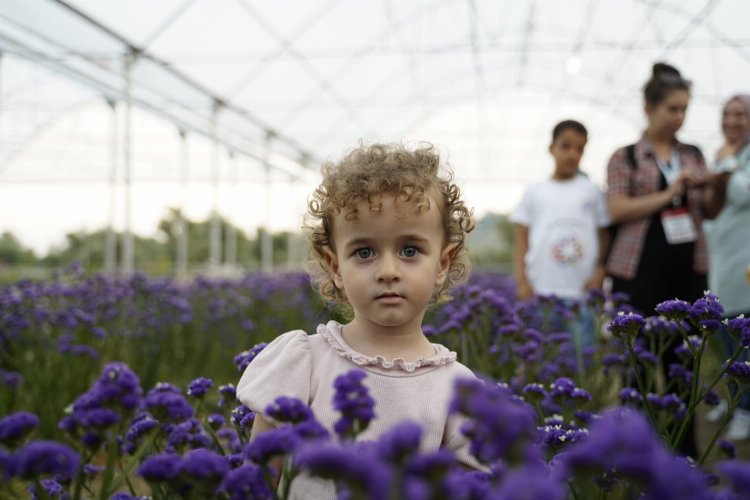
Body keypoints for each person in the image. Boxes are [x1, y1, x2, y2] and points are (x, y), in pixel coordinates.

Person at [237, 142, 480, 498]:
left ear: (442, 263)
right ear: (335, 266)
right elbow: (256, 482)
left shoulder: (457, 388)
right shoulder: (304, 363)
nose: (388, 271)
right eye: (364, 252)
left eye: (410, 250)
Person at [605, 62, 725, 457]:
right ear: (649, 108)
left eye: (684, 109)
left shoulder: (693, 153)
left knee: (683, 365)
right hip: (636, 273)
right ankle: (633, 454)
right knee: (636, 366)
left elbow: (708, 212)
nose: (679, 117)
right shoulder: (626, 157)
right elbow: (618, 209)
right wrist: (671, 189)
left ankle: (683, 455)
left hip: (687, 272)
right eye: (671, 108)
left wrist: (716, 186)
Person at [511, 120, 611, 347]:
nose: (572, 154)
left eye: (579, 149)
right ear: (551, 148)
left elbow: (605, 235)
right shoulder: (534, 192)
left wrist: (600, 271)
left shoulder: (593, 192)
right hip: (542, 291)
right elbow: (521, 242)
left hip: (581, 293)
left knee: (581, 359)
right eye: (566, 146)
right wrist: (523, 282)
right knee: (542, 357)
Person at [704, 94, 750, 441]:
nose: (732, 121)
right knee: (723, 332)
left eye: (741, 114)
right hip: (721, 259)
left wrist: (730, 164)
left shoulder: (733, 158)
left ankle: (746, 410)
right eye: (727, 113)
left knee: (744, 339)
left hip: (745, 259)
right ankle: (736, 400)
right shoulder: (721, 155)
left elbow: (744, 194)